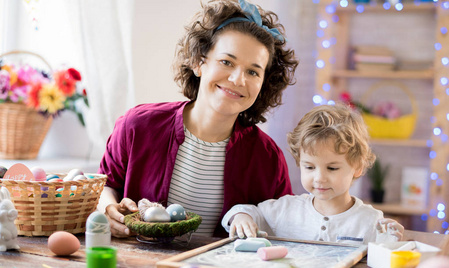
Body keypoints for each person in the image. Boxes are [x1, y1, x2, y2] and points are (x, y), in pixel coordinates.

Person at [97, 0, 299, 238]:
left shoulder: (268, 158)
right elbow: (104, 185)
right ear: (198, 62)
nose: (237, 79)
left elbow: (283, 225)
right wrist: (108, 208)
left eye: (253, 71)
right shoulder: (137, 126)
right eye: (227, 62)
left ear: (264, 83)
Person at [222, 103, 404, 244]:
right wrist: (241, 217)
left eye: (332, 168)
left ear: (358, 167)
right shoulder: (286, 209)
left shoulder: (370, 221)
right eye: (309, 167)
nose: (319, 178)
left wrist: (391, 240)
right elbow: (246, 211)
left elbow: (385, 260)